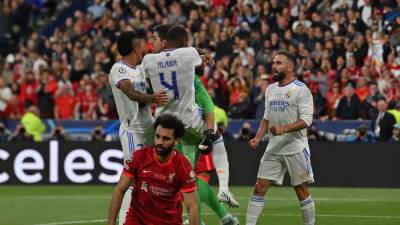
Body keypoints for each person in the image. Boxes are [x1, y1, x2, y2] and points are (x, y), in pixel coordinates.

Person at [149, 25, 239, 224]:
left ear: (164, 42)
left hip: (167, 124)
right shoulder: (190, 65)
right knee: (191, 177)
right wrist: (203, 53)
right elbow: (207, 102)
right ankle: (221, 202)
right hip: (194, 124)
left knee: (189, 178)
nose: (151, 42)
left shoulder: (149, 61)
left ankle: (208, 217)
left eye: (154, 39)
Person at [246, 51, 315, 225]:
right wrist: (258, 137)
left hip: (295, 147)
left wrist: (284, 129)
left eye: (278, 63)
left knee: (301, 189)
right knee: (260, 186)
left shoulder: (301, 90)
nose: (274, 66)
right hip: (274, 147)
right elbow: (266, 118)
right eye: (274, 63)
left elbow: (307, 120)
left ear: (290, 67)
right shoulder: (270, 89)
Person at [108, 31, 169, 225]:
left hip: (149, 127)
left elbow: (171, 56)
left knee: (158, 174)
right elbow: (130, 93)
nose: (145, 46)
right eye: (142, 43)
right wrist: (152, 98)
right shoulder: (119, 69)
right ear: (135, 47)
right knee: (133, 176)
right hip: (132, 130)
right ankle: (124, 221)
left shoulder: (143, 68)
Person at [108, 114, 198, 225]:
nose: (160, 142)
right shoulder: (139, 157)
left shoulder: (183, 166)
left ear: (177, 140)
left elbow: (192, 207)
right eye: (158, 136)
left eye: (166, 139)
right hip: (137, 220)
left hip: (169, 221)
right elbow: (120, 190)